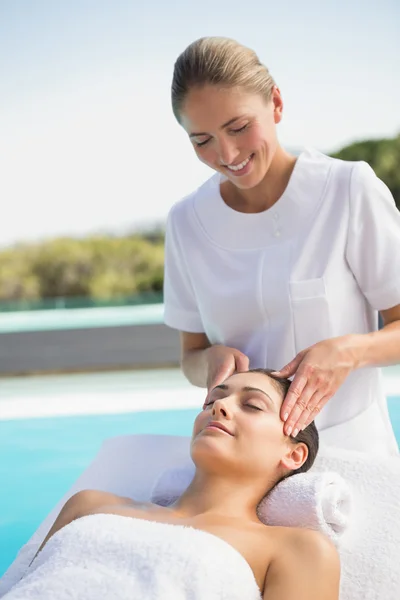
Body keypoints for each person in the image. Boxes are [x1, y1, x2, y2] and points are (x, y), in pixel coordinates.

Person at [163, 36, 400, 455]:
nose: (228, 153)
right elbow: (191, 356)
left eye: (238, 127)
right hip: (243, 467)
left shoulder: (346, 190)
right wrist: (209, 364)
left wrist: (348, 351)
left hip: (352, 451)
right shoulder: (186, 222)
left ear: (275, 103)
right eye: (202, 140)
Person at [3, 370, 340, 600]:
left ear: (294, 455)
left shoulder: (295, 549)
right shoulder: (89, 505)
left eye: (252, 405)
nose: (219, 406)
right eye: (211, 402)